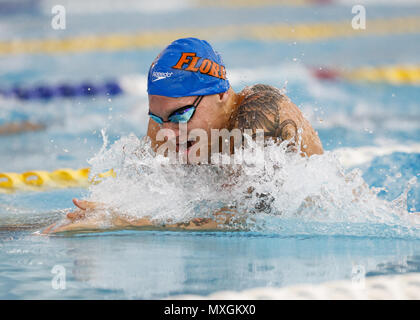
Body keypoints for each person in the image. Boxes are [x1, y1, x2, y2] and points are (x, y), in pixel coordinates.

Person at [43, 37, 323, 234]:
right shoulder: (164, 126)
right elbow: (144, 192)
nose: (166, 132)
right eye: (157, 118)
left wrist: (124, 221)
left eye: (180, 116)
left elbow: (250, 218)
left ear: (223, 94)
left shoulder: (262, 116)